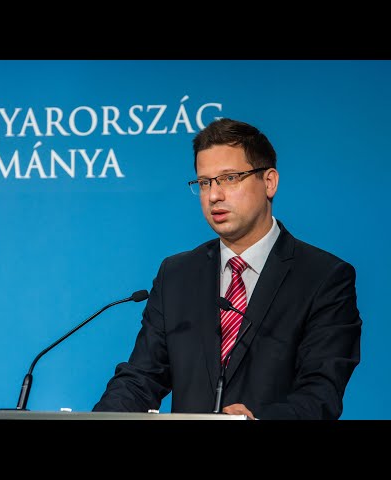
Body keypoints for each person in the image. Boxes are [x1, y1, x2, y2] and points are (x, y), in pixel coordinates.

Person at [92, 118, 362, 420]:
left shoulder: (323, 277)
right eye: (204, 182)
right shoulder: (177, 275)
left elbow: (321, 393)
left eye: (230, 178)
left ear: (269, 182)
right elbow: (141, 379)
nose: (213, 196)